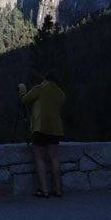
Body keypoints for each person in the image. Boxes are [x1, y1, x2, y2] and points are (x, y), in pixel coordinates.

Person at [19, 70, 66, 198]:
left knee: (39, 159)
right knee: (54, 158)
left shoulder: (39, 89)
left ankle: (43, 190)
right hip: (56, 129)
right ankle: (58, 189)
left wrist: (22, 88)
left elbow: (25, 100)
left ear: (45, 80)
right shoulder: (61, 94)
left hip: (40, 128)